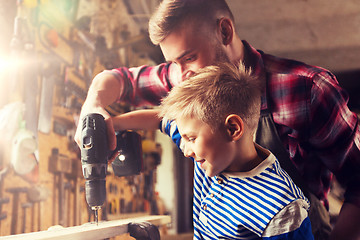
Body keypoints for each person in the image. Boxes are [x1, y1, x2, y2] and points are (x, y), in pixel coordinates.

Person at [74, 0, 360, 239]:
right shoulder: (187, 78)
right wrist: (94, 109)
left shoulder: (309, 90)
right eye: (173, 62)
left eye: (188, 57)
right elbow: (119, 80)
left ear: (224, 31)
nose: (180, 74)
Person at [113, 62, 314, 239]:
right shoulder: (213, 157)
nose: (186, 151)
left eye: (191, 139)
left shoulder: (281, 209)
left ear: (233, 128)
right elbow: (161, 120)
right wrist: (112, 125)